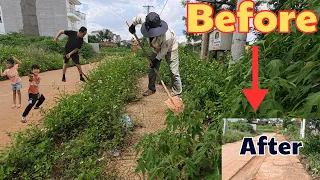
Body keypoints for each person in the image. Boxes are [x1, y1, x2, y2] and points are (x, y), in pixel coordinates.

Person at [129, 12, 182, 97]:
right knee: (152, 69)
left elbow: (164, 51)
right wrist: (133, 25)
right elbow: (138, 17)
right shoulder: (146, 21)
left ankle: (177, 93)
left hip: (170, 48)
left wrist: (156, 60)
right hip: (156, 48)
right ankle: (151, 88)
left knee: (174, 71)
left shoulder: (167, 36)